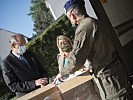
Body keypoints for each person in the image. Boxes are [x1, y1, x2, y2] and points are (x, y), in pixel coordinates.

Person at [55, 0, 133, 100]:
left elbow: (76, 60)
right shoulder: (95, 22)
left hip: (109, 79)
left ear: (72, 15)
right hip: (116, 72)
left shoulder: (83, 28)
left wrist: (62, 73)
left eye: (68, 17)